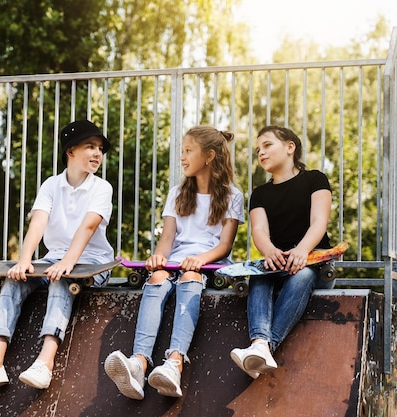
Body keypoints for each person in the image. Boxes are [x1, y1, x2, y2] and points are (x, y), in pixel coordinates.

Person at [0, 119, 114, 390]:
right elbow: (38, 223)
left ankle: (45, 363)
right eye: (90, 147)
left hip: (93, 262)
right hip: (54, 258)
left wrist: (68, 263)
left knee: (60, 280)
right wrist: (25, 260)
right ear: (70, 151)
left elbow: (89, 226)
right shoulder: (51, 185)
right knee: (14, 280)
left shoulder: (102, 188)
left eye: (100, 148)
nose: (97, 154)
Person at [104, 125, 244, 399]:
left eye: (188, 151)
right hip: (175, 262)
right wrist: (160, 257)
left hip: (207, 264)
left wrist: (199, 260)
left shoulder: (232, 196)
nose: (182, 157)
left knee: (190, 278)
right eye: (183, 151)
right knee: (156, 278)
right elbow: (167, 238)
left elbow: (225, 245)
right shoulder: (178, 192)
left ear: (209, 156)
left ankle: (175, 363)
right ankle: (139, 364)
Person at [230, 125, 334, 380]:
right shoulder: (260, 194)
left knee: (302, 275)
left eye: (267, 145)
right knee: (259, 276)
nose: (261, 153)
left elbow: (319, 222)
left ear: (290, 147)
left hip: (313, 264)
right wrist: (270, 251)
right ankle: (259, 345)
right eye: (258, 150)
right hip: (277, 265)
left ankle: (267, 345)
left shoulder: (315, 179)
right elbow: (259, 232)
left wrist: (302, 250)